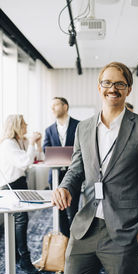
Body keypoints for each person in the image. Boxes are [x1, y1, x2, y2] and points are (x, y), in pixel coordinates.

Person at [52, 62, 138, 274]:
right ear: (99, 87)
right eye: (107, 82)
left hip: (124, 232)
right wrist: (64, 186)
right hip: (85, 229)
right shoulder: (84, 128)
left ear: (128, 89)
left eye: (119, 83)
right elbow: (76, 169)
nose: (112, 88)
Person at [0, 114, 43, 274]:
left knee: (20, 221)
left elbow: (38, 158)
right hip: (10, 186)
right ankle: (24, 260)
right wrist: (31, 144)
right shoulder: (8, 144)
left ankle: (16, 257)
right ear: (17, 125)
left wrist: (36, 145)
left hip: (20, 184)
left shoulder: (22, 141)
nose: (27, 125)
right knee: (21, 220)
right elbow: (25, 162)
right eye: (24, 123)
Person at [43, 97, 80, 238]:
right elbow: (46, 149)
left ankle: (75, 239)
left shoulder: (79, 126)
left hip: (73, 174)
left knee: (73, 208)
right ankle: (64, 239)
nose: (52, 108)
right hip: (56, 175)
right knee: (59, 210)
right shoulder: (49, 130)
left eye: (55, 105)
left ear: (65, 107)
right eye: (51, 106)